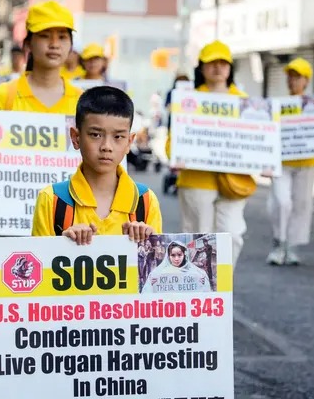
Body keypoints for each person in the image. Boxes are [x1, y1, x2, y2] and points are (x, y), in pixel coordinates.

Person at [31, 85, 162, 244]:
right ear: (75, 137)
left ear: (129, 142)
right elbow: (39, 263)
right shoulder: (53, 200)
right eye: (95, 134)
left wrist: (147, 245)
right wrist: (63, 246)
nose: (106, 146)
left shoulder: (145, 201)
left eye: (118, 137)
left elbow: (156, 266)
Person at [171, 40, 254, 267]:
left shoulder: (246, 103)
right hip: (197, 181)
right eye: (212, 63)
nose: (218, 68)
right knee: (199, 239)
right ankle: (201, 296)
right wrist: (176, 155)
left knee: (233, 235)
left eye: (223, 62)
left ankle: (223, 288)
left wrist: (265, 163)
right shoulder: (188, 101)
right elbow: (173, 143)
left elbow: (259, 143)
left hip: (235, 182)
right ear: (202, 68)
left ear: (230, 67)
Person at [267, 57, 314, 266]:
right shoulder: (278, 105)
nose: (292, 81)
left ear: (306, 80)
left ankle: (292, 247)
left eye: (297, 77)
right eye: (290, 76)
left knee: (301, 205)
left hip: (306, 163)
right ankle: (279, 242)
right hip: (282, 163)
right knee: (282, 202)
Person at [142, 241, 211, 294]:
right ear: (168, 256)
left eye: (179, 255)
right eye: (173, 255)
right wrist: (152, 284)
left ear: (184, 255)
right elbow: (146, 295)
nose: (176, 259)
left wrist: (202, 283)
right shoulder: (158, 273)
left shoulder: (198, 273)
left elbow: (207, 296)